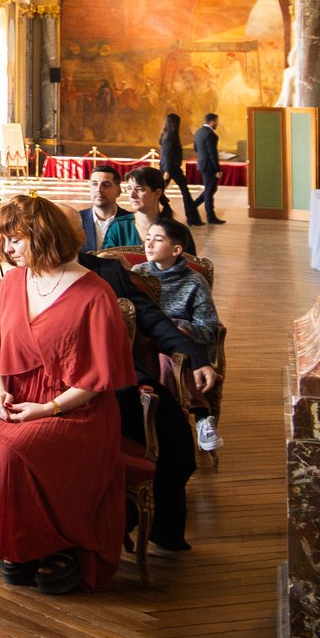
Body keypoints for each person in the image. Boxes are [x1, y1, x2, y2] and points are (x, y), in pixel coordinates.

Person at [0, 195, 135, 594]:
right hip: (17, 395)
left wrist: (47, 409)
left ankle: (58, 542)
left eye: (15, 239)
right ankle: (19, 543)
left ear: (41, 236)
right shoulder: (12, 281)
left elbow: (95, 382)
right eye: (4, 239)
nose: (6, 249)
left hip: (74, 408)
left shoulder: (95, 293)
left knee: (13, 450)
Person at [78, 226, 217, 557]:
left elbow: (154, 320)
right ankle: (103, 526)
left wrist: (197, 358)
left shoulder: (107, 270)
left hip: (117, 375)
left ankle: (157, 527)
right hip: (55, 378)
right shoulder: (24, 273)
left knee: (177, 447)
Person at [135, 218, 225, 453]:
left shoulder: (195, 282)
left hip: (183, 347)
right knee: (162, 359)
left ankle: (184, 422)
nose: (149, 244)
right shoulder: (137, 274)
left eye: (158, 239)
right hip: (144, 342)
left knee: (170, 360)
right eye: (147, 238)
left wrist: (175, 327)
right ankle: (200, 415)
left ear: (176, 250)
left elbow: (207, 327)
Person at [191, 113, 228, 225]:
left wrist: (203, 155)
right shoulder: (211, 135)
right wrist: (218, 169)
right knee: (209, 190)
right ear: (212, 122)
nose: (217, 123)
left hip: (202, 163)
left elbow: (196, 148)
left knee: (210, 189)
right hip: (209, 165)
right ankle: (210, 217)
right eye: (217, 121)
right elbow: (213, 154)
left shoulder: (198, 132)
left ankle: (192, 206)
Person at [80, 166, 119, 251]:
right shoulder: (76, 220)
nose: (99, 189)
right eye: (94, 184)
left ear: (118, 191)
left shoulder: (131, 221)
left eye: (106, 185)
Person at [157, 114, 188, 221]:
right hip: (171, 168)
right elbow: (167, 154)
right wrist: (167, 170)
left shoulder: (166, 134)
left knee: (159, 191)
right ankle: (192, 217)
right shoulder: (171, 137)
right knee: (160, 191)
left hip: (169, 167)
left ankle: (165, 210)